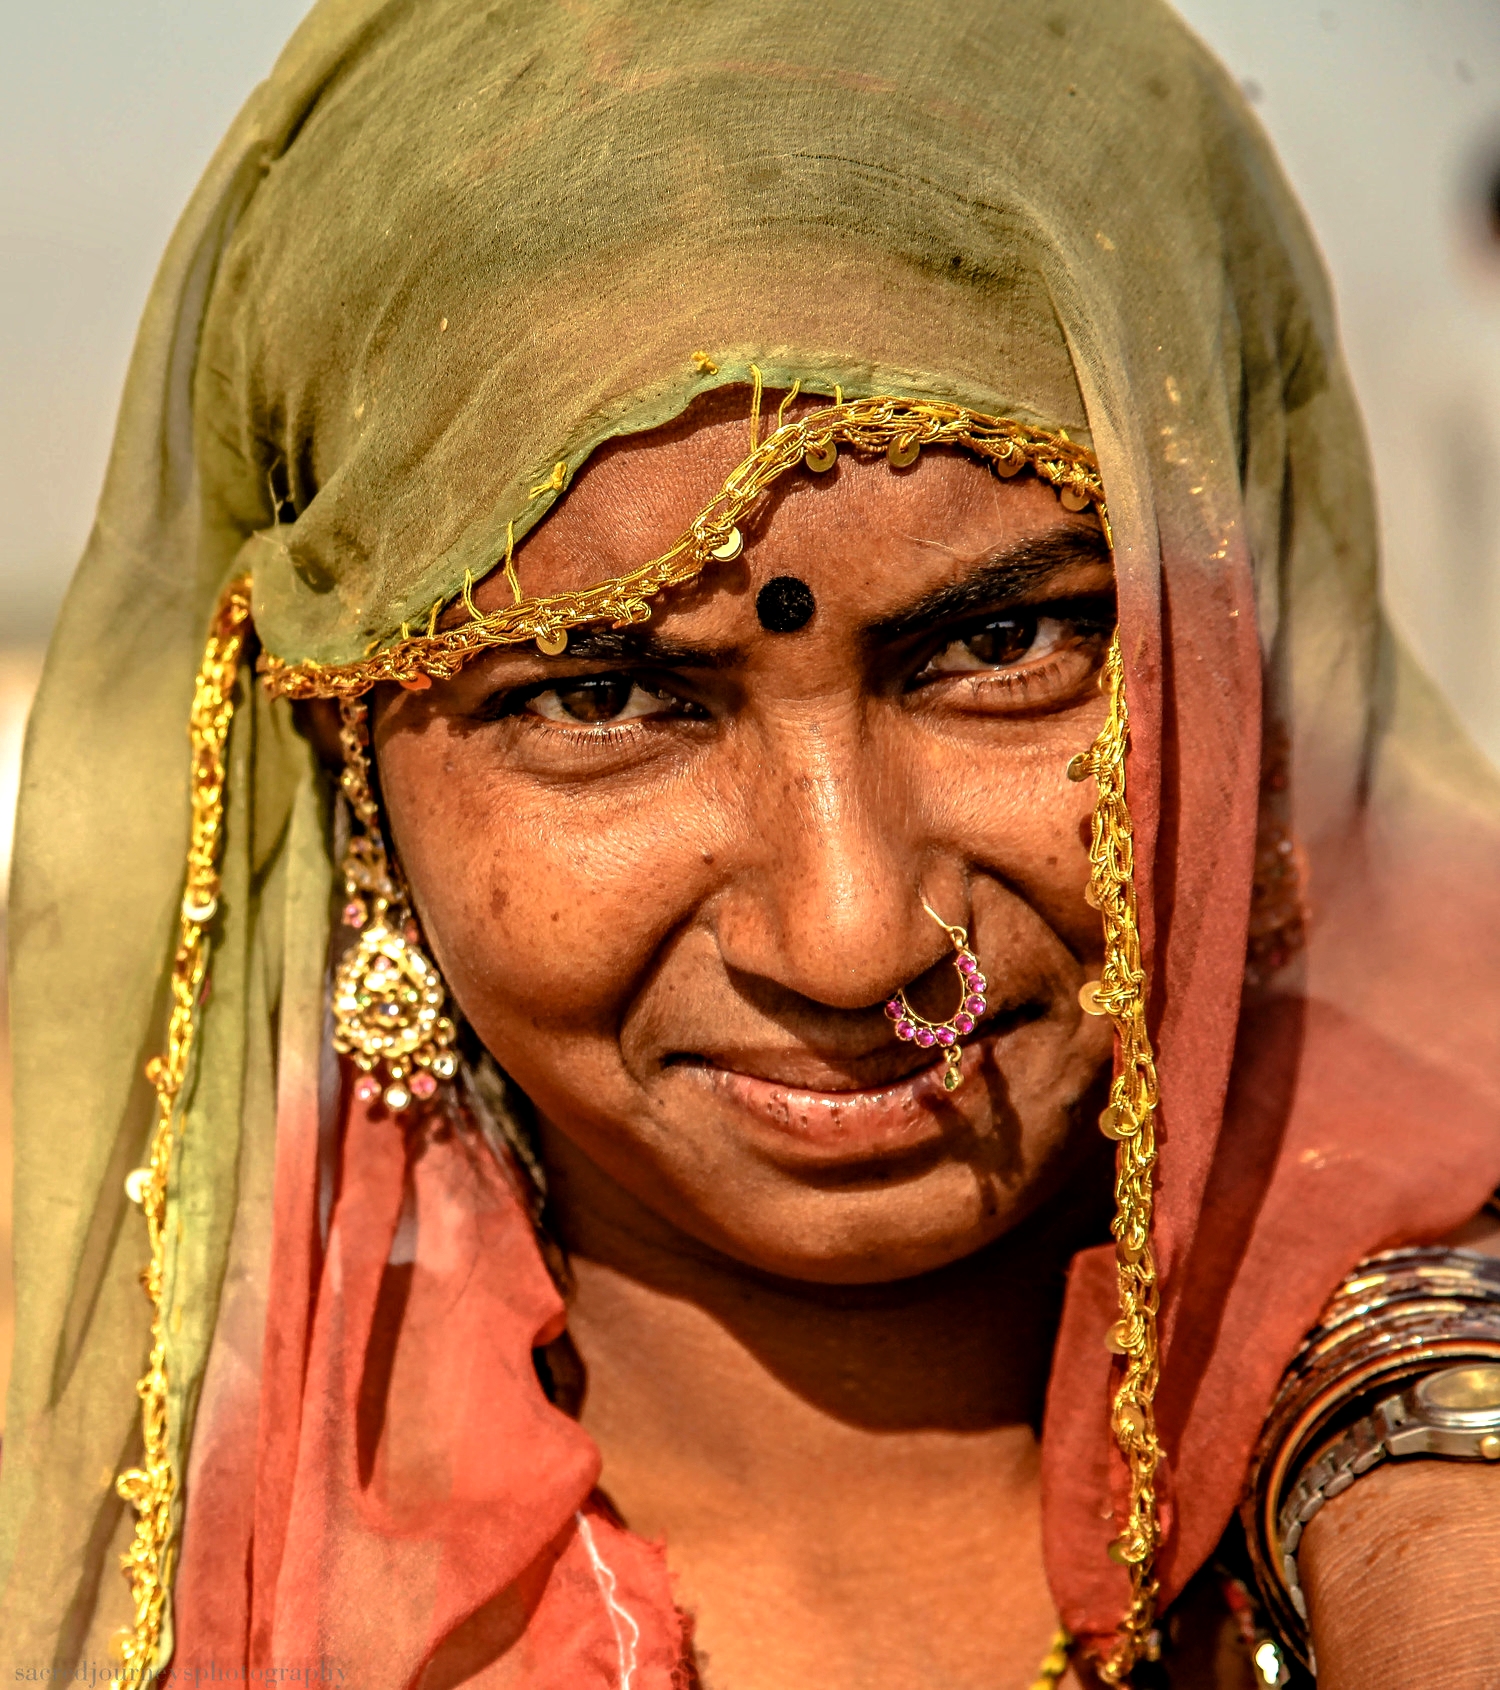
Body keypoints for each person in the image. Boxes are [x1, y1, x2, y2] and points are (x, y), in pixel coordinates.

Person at [4, 2, 1500, 1686]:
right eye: (606, 691)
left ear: (1235, 640)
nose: (855, 934)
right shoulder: (127, 1583)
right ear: (346, 752)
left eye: (1004, 649)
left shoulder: (1436, 1509)